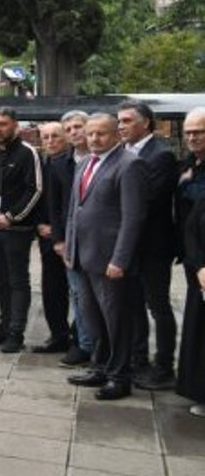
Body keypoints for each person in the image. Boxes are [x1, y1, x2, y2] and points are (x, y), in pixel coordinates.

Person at [65, 113, 146, 401]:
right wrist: (70, 248)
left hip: (109, 260)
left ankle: (119, 376)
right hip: (83, 257)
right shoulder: (85, 163)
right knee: (91, 317)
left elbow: (133, 217)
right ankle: (99, 366)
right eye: (90, 134)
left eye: (101, 133)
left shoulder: (129, 165)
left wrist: (120, 260)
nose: (94, 139)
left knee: (116, 320)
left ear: (116, 135)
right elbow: (76, 210)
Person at [117, 100, 179, 392]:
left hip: (153, 246)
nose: (121, 126)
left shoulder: (161, 155)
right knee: (132, 305)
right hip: (129, 246)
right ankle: (137, 358)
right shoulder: (123, 154)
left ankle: (164, 366)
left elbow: (147, 200)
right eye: (119, 121)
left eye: (127, 121)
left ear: (146, 124)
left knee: (158, 306)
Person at [0, 107, 42, 354]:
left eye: (3, 124)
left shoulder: (27, 153)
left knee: (18, 281)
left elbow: (36, 190)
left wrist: (12, 216)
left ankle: (16, 332)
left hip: (17, 229)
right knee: (2, 279)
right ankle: (4, 325)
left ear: (15, 125)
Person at [49, 111, 94, 367]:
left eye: (79, 126)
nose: (74, 132)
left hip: (99, 241)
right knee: (77, 294)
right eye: (70, 129)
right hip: (70, 241)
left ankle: (98, 345)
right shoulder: (59, 164)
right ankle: (83, 344)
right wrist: (58, 239)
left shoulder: (101, 160)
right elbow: (55, 206)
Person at [31, 122, 72, 355]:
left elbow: (70, 204)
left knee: (76, 292)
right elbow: (38, 198)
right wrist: (39, 225)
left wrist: (58, 231)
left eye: (55, 136)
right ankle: (58, 334)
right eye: (45, 137)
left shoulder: (72, 162)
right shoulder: (42, 162)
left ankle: (79, 337)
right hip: (46, 236)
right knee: (51, 289)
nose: (50, 141)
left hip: (68, 238)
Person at [177, 107, 205, 417]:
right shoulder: (188, 167)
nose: (192, 137)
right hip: (194, 259)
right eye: (188, 132)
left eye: (199, 131)